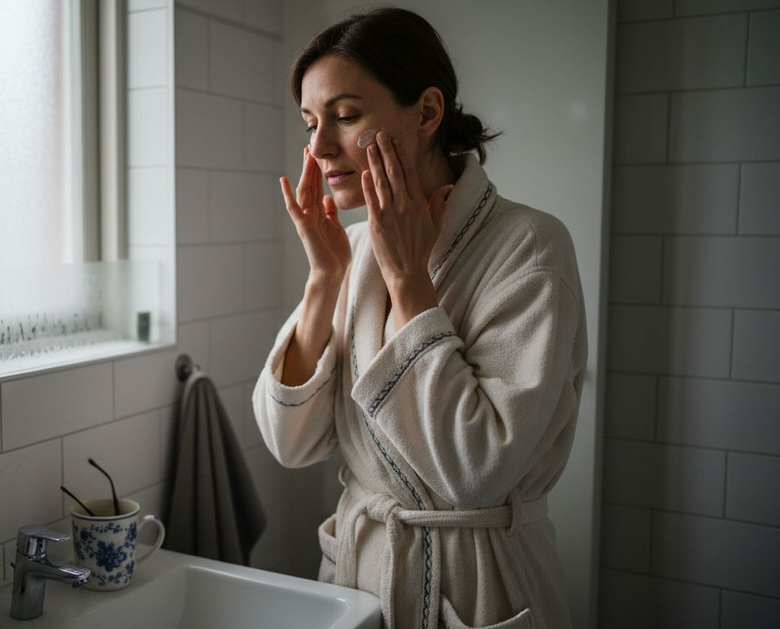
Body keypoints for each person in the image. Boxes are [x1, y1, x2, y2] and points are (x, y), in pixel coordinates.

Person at [251, 7, 587, 629]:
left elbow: (473, 471)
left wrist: (409, 282)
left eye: (346, 117)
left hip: (481, 582)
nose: (320, 147)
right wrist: (324, 279)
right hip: (358, 581)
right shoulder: (352, 250)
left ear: (428, 113)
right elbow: (289, 444)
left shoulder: (530, 245)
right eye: (310, 123)